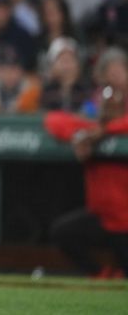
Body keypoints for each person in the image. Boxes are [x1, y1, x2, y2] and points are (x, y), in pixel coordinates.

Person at [44, 48, 128, 278]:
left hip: (125, 222)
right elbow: (53, 120)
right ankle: (101, 275)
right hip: (102, 217)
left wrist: (102, 132)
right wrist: (89, 133)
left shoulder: (110, 129)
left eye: (120, 71)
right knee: (63, 232)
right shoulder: (91, 128)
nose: (111, 101)